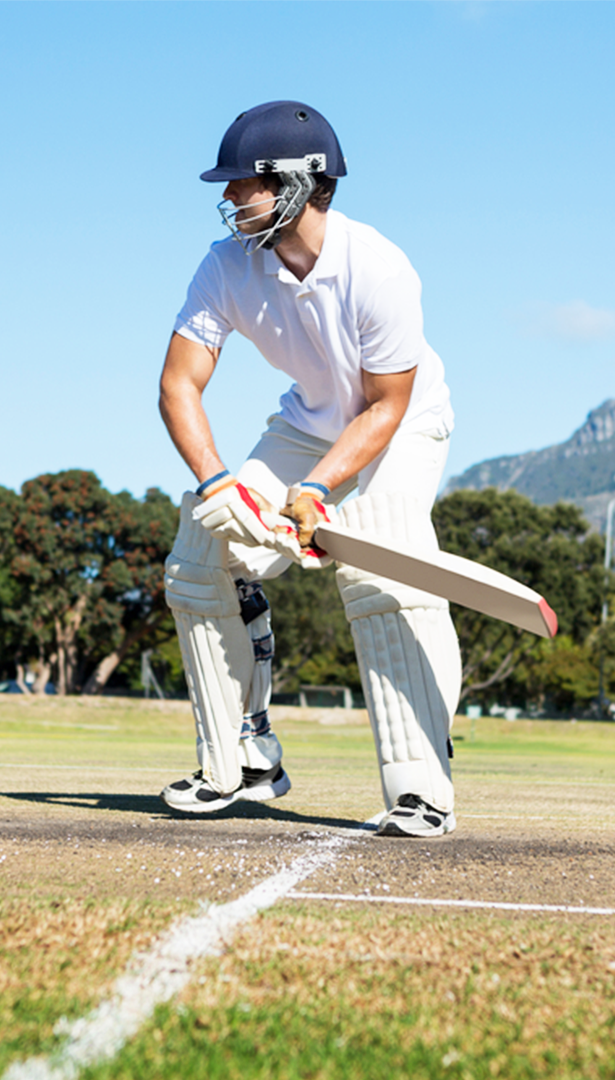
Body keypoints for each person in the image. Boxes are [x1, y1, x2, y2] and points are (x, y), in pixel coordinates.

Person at [159, 101, 460, 837]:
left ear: (295, 182)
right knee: (202, 554)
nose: (228, 196)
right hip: (307, 421)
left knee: (381, 563)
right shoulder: (226, 266)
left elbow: (387, 404)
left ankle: (423, 787)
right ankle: (245, 760)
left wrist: (318, 491)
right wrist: (217, 482)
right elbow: (178, 386)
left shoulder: (379, 267)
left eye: (242, 184)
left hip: (403, 421)